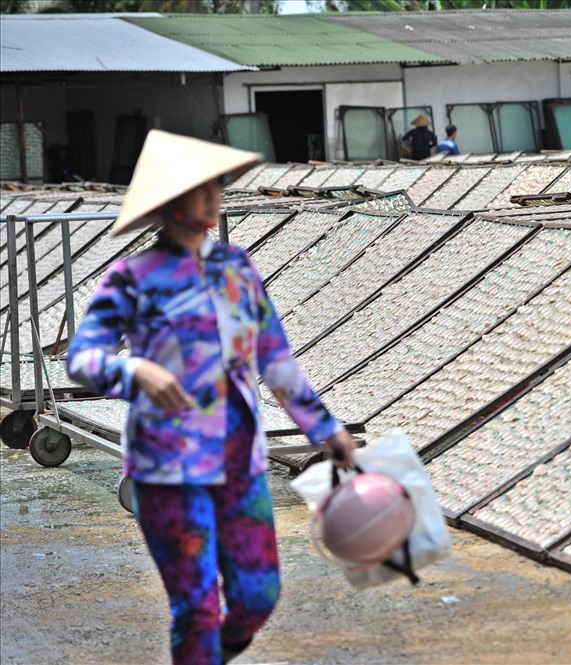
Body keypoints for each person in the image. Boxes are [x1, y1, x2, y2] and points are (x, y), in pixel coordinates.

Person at [66, 130, 356, 665]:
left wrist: (325, 429)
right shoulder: (131, 279)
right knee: (196, 608)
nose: (214, 198)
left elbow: (276, 361)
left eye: (216, 187)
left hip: (239, 463)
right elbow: (83, 359)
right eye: (200, 189)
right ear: (168, 203)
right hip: (166, 469)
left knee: (258, 595)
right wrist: (136, 372)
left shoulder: (238, 270)